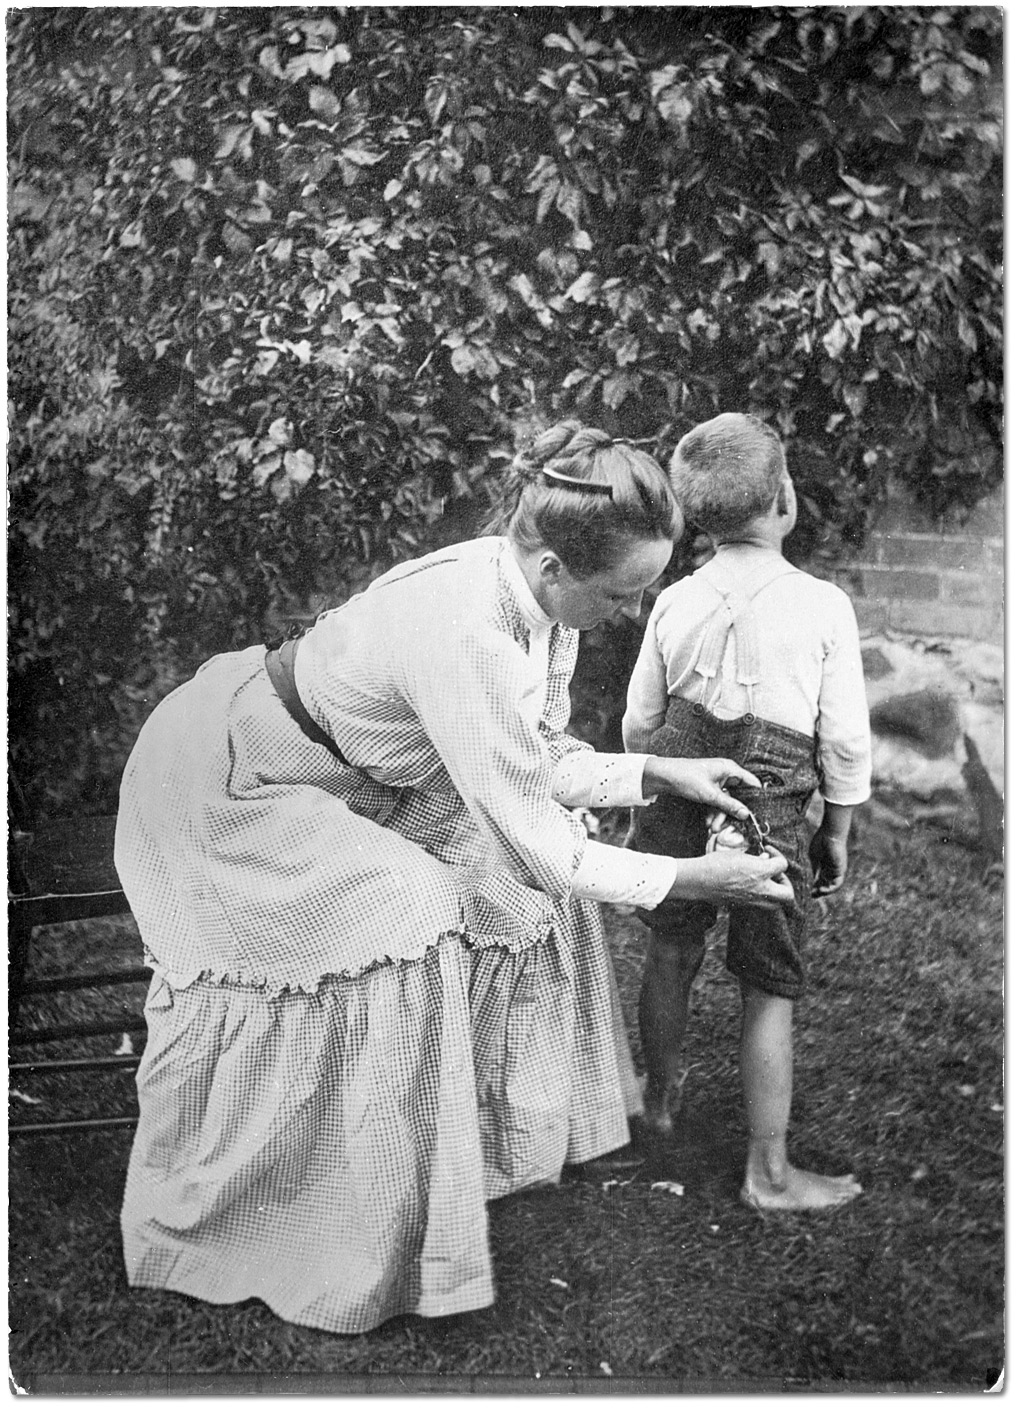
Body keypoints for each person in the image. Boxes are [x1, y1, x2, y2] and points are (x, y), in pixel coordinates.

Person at [114, 420, 793, 1337]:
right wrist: (697, 878)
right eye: (625, 592)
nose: (634, 611)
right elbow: (539, 845)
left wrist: (658, 774)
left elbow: (535, 760)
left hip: (354, 781)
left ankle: (505, 1144)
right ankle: (340, 1214)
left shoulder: (537, 604)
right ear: (554, 564)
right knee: (421, 905)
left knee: (517, 895)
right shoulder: (466, 628)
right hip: (228, 784)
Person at [623, 412, 872, 1211]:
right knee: (768, 984)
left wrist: (656, 783)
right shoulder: (822, 605)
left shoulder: (676, 601)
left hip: (680, 782)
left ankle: (656, 1103)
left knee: (671, 948)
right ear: (786, 498)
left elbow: (638, 723)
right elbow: (845, 742)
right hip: (770, 801)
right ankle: (768, 1174)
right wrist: (835, 829)